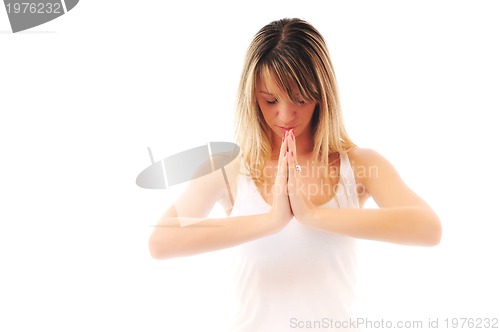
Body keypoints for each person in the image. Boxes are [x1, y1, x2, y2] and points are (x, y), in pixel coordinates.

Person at [149, 18, 442, 331]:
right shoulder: (227, 168)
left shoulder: (358, 165)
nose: (285, 115)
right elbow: (161, 241)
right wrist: (271, 220)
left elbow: (428, 229)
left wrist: (312, 214)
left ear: (322, 95)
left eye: (300, 98)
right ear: (252, 96)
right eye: (271, 100)